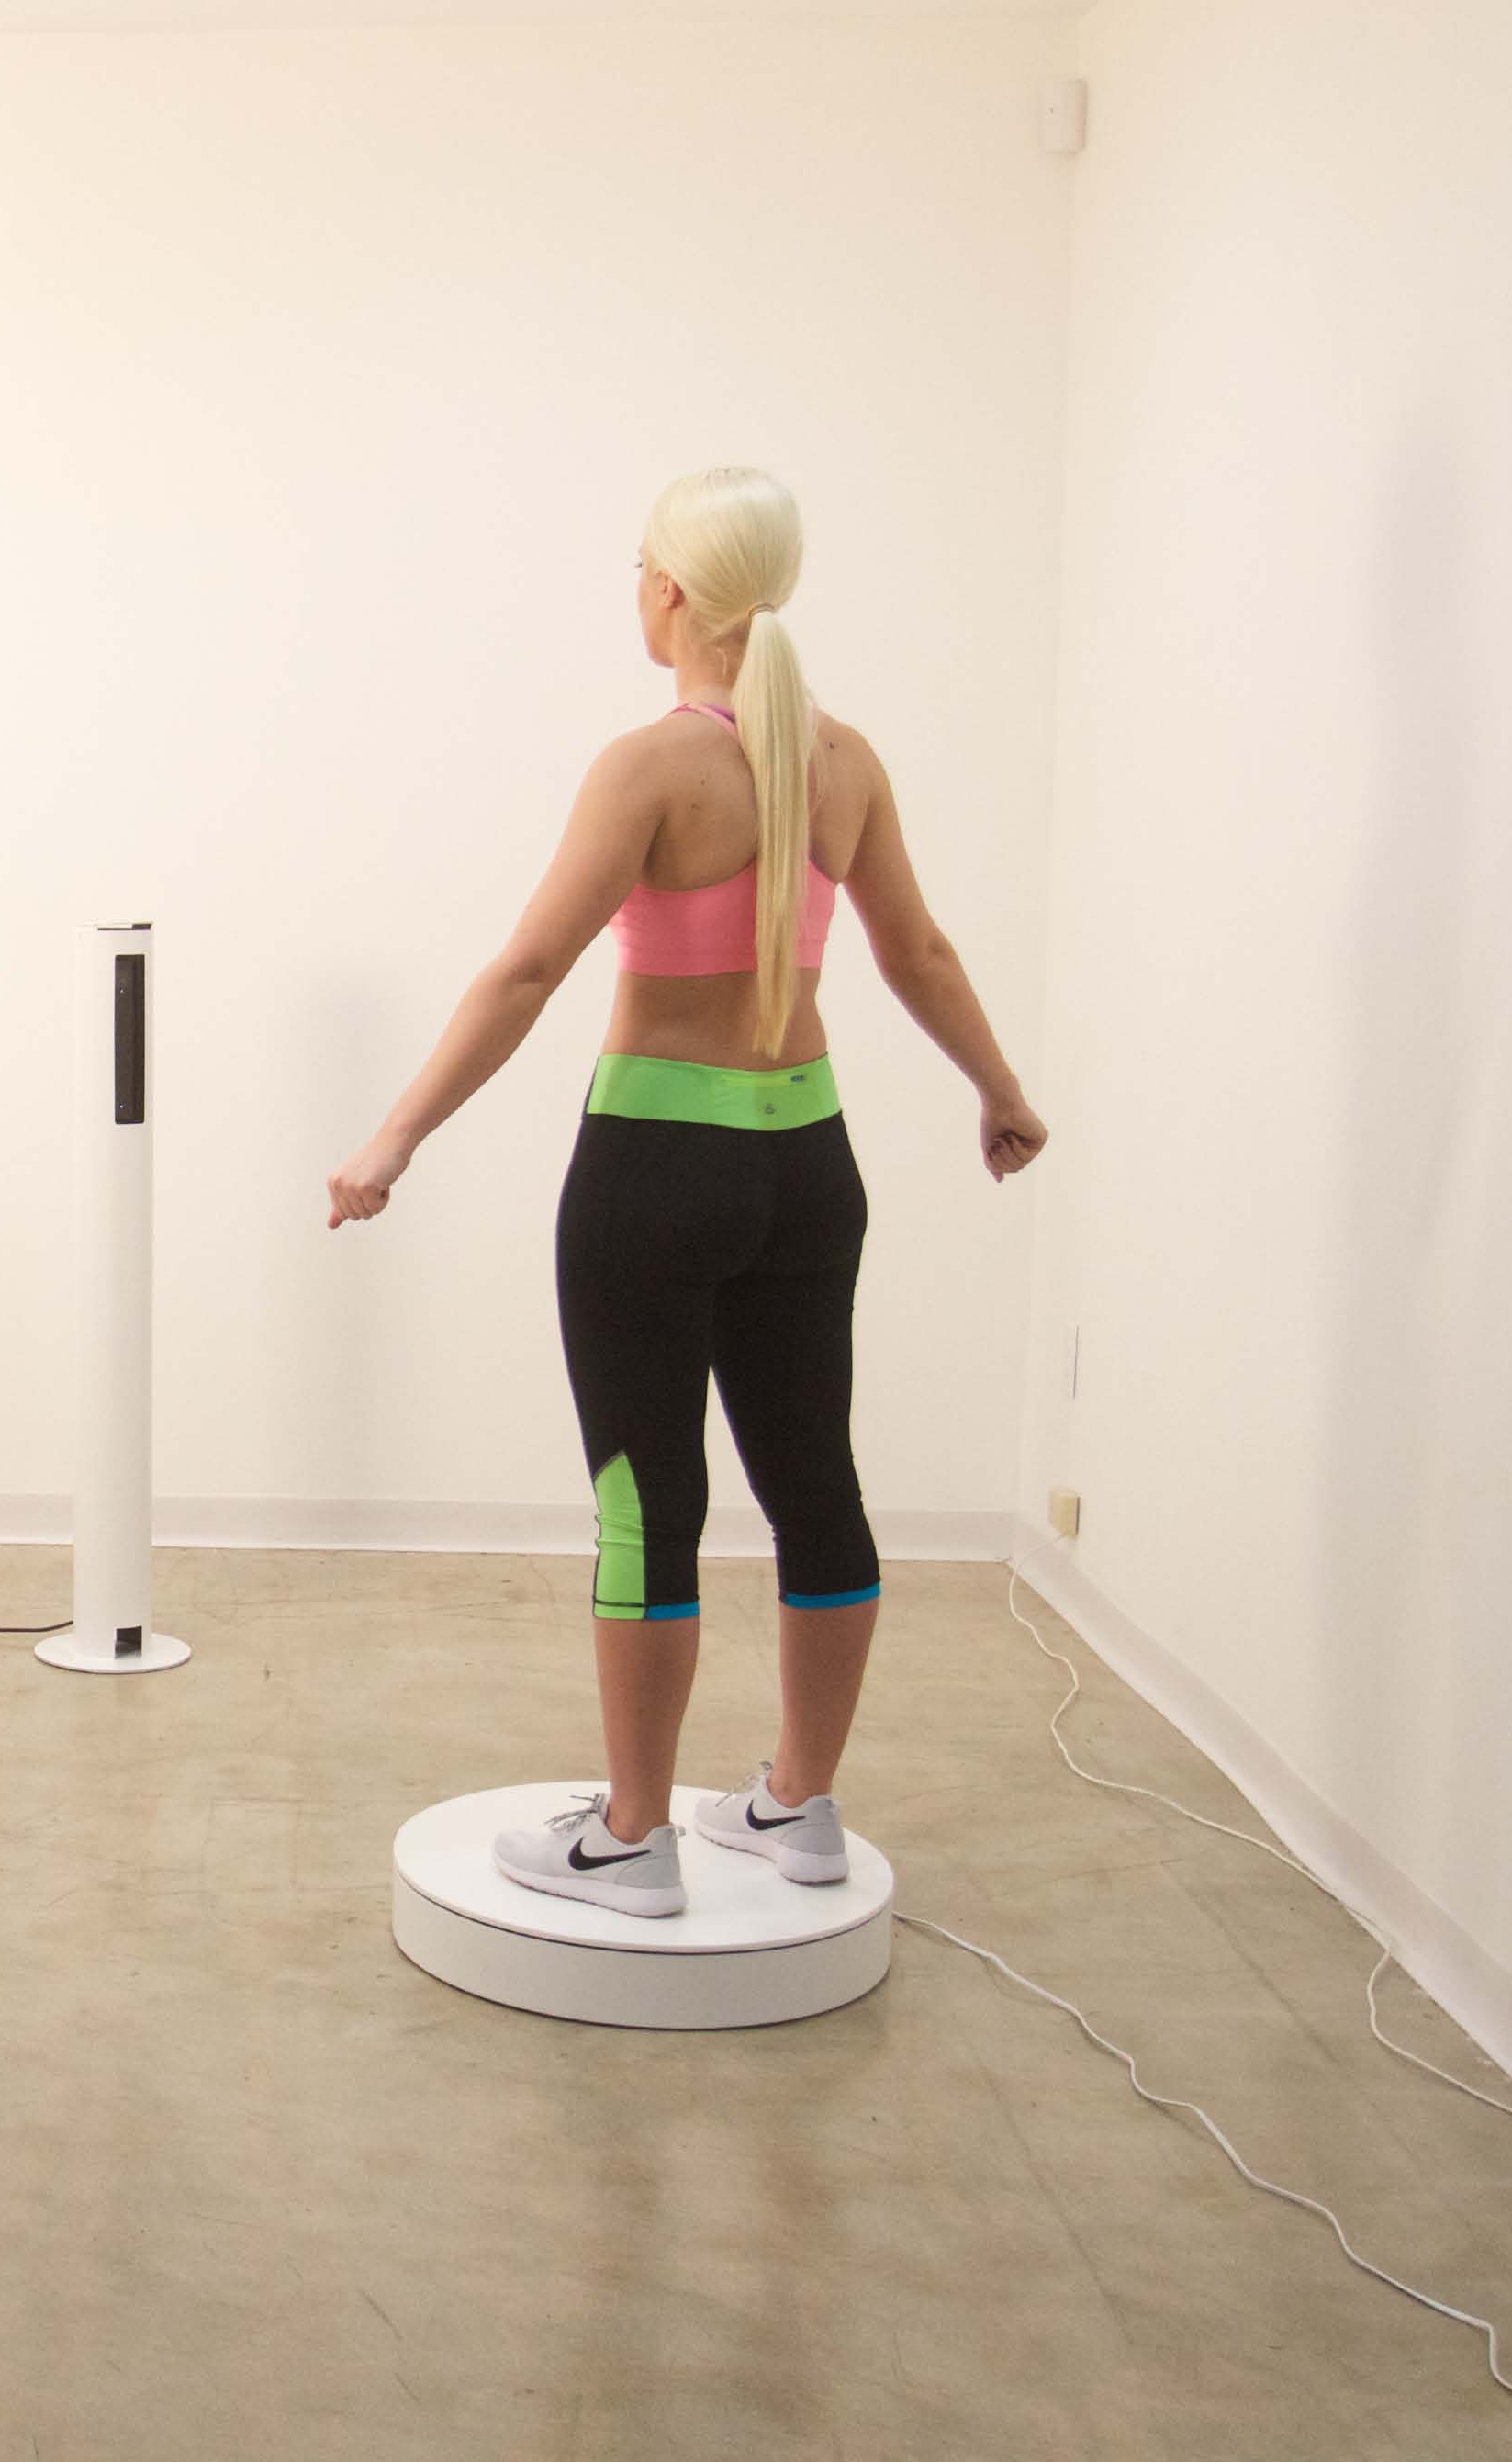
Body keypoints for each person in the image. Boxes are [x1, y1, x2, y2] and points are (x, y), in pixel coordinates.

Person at [327, 467, 1046, 1917]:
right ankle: (794, 1805)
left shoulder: (652, 766)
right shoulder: (840, 760)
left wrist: (392, 1136)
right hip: (807, 1164)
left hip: (655, 1171)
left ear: (668, 592)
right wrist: (1001, 1091)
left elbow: (527, 970)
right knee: (815, 1485)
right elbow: (920, 953)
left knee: (644, 1502)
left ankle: (633, 1836)